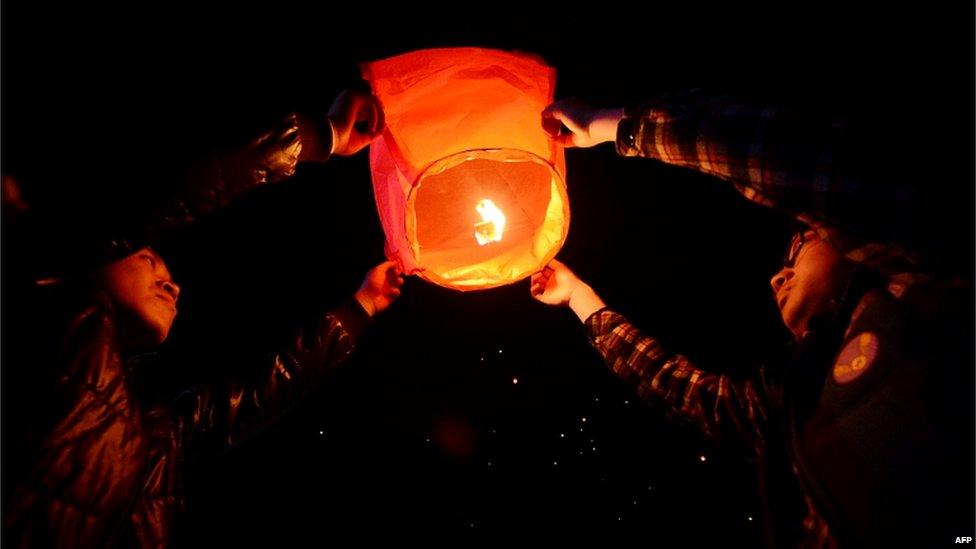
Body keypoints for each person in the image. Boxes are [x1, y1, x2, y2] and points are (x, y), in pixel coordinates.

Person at [534, 93, 973, 547]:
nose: (776, 277)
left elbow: (806, 165)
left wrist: (614, 127)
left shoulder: (933, 279)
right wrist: (579, 297)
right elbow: (684, 391)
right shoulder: (790, 401)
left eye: (798, 250)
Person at [3, 88, 402, 548]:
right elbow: (167, 198)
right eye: (149, 259)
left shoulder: (154, 428)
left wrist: (361, 306)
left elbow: (254, 394)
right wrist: (320, 136)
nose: (173, 285)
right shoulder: (36, 303)